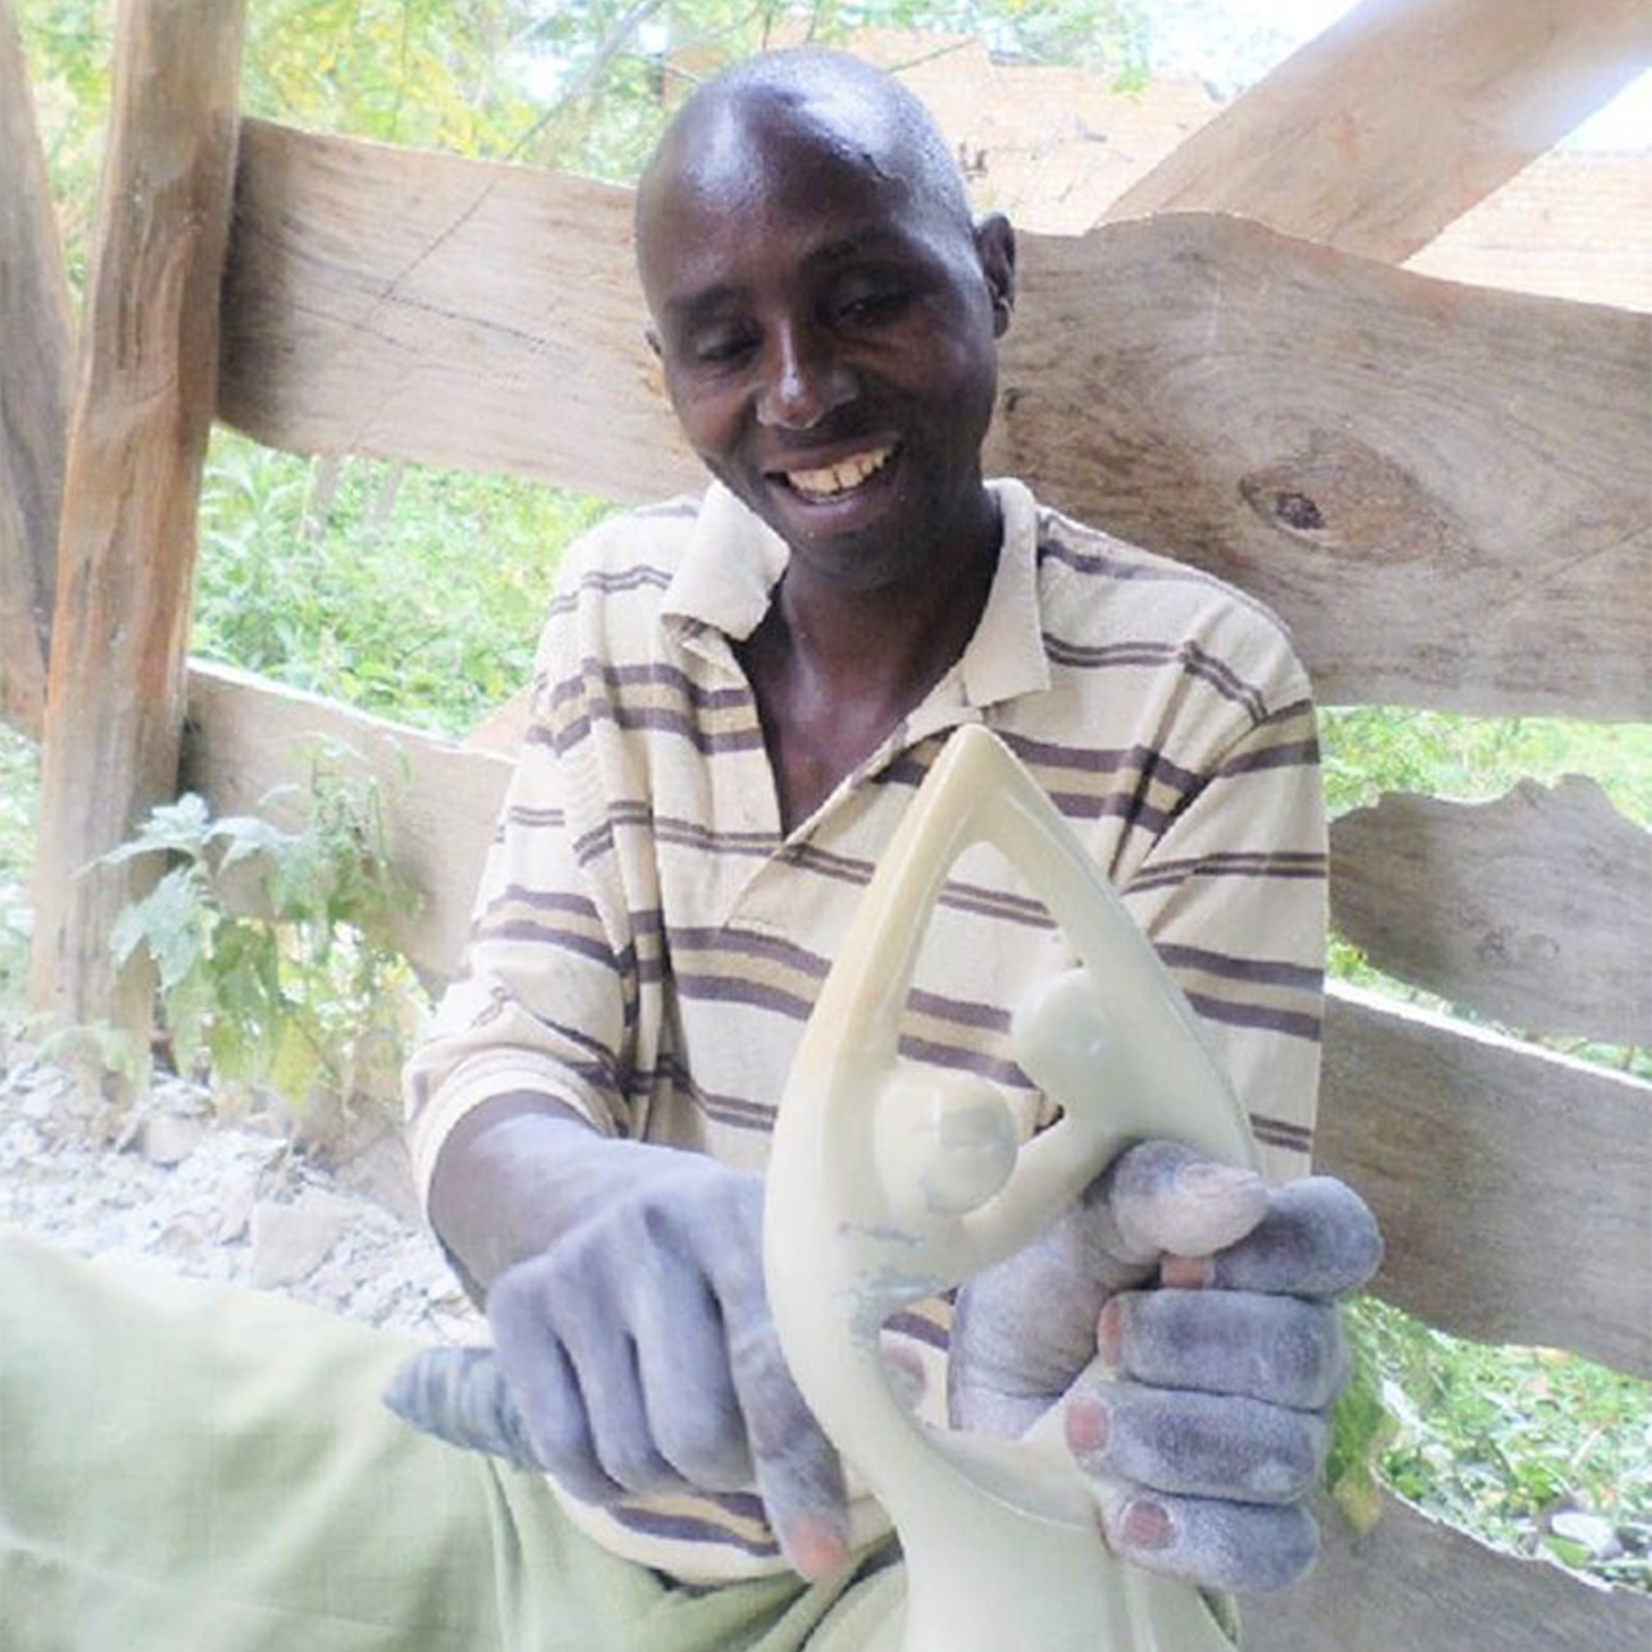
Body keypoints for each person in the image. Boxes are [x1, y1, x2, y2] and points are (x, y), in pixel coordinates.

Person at [0, 46, 1378, 1652]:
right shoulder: (623, 609)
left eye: (868, 299)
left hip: (925, 1566)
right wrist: (584, 1209)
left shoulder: (1198, 694)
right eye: (726, 343)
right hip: (544, 1509)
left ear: (991, 279)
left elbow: (1173, 1249)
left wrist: (1011, 1361)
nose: (799, 392)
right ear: (666, 369)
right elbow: (504, 1056)